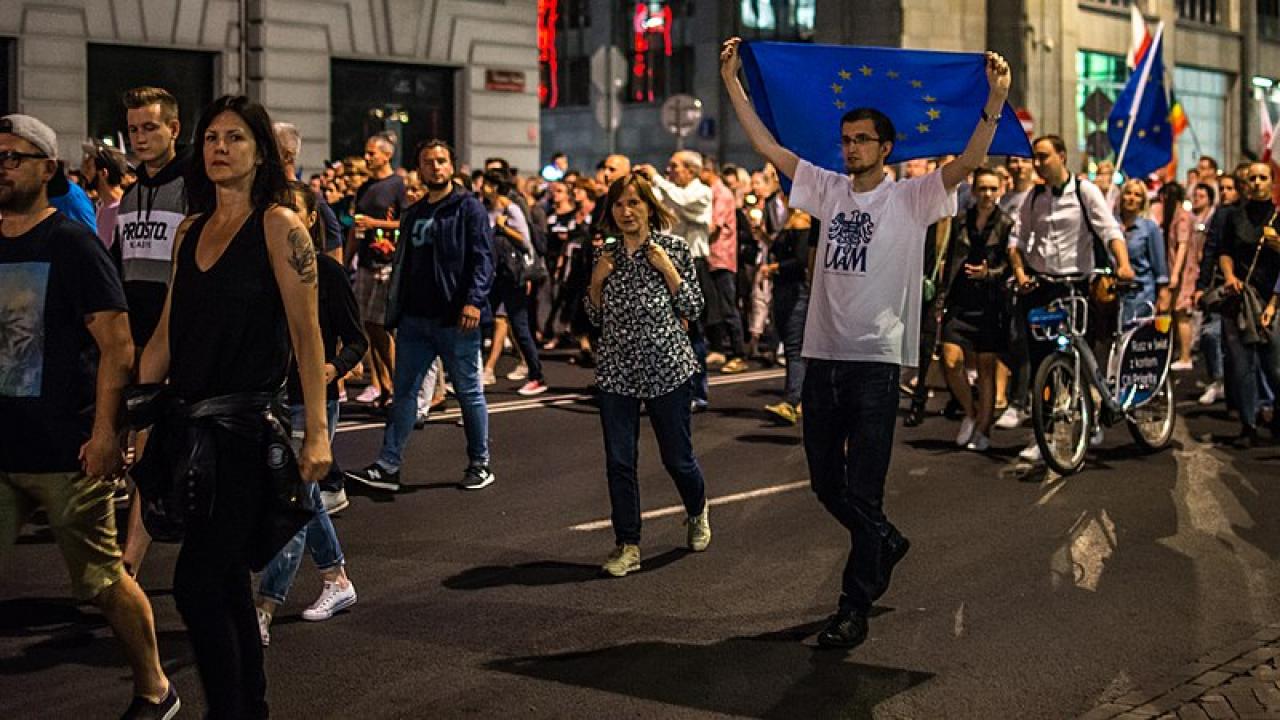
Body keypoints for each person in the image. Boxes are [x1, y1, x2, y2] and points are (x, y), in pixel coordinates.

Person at [722, 36, 1010, 648]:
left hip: (877, 363)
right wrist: (733, 85)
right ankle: (884, 537)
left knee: (862, 489)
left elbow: (968, 162)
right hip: (823, 358)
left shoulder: (911, 197)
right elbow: (767, 147)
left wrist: (995, 102)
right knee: (827, 485)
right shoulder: (825, 189)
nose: (850, 148)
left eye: (862, 140)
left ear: (886, 147)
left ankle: (853, 607)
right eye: (846, 139)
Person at [136, 95, 332, 717]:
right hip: (188, 431)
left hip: (247, 433)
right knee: (221, 584)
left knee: (195, 584)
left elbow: (308, 337)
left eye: (236, 138)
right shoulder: (190, 228)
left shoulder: (280, 225)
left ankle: (230, 711)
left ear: (261, 154)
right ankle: (250, 707)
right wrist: (121, 414)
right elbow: (167, 332)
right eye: (212, 137)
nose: (220, 148)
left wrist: (318, 435)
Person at [0, 113, 178, 718]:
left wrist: (107, 433)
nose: (3, 166)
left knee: (103, 583)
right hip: (2, 444)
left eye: (14, 157)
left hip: (63, 445)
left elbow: (118, 345)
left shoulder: (72, 242)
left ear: (47, 169)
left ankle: (155, 686)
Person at [345, 139, 497, 493]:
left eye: (442, 161)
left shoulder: (467, 208)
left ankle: (479, 463)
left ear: (453, 166)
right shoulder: (414, 213)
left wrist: (473, 301)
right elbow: (403, 266)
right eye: (429, 162)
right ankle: (387, 466)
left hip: (455, 319)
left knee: (469, 392)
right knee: (404, 394)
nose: (436, 167)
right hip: (414, 319)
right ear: (419, 167)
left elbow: (483, 259)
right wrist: (395, 310)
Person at [255, 183, 365, 646]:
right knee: (307, 496)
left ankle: (263, 606)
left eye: (293, 211)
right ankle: (337, 579)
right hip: (270, 398)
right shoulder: (263, 270)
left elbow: (356, 339)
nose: (284, 220)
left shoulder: (327, 272)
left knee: (296, 497)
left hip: (314, 398)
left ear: (312, 219)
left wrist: (332, 367)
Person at [586, 172, 709, 577]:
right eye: (619, 204)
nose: (626, 211)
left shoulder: (672, 248)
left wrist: (668, 271)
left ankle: (696, 509)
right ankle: (628, 544)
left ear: (649, 207)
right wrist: (596, 282)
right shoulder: (605, 254)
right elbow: (592, 316)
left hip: (667, 369)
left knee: (678, 459)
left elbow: (693, 309)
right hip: (617, 371)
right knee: (620, 461)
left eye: (634, 203)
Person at [1008, 135, 1135, 463]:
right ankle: (1044, 432)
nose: (1037, 163)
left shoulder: (1084, 191)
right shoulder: (1034, 196)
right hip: (1041, 287)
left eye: (1043, 156)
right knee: (1042, 362)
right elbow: (1017, 238)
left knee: (1082, 353)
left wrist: (1123, 265)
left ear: (1062, 156)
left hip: (1077, 287)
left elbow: (1110, 230)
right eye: (1035, 157)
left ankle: (1091, 411)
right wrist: (1021, 274)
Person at [938, 168, 1013, 452]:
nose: (987, 195)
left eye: (993, 189)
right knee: (950, 359)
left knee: (986, 368)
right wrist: (942, 299)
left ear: (1001, 190)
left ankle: (983, 429)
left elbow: (1010, 263)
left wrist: (989, 273)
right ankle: (969, 412)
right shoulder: (960, 220)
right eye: (982, 189)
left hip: (990, 303)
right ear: (973, 190)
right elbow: (948, 259)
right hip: (960, 300)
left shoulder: (1006, 223)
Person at [638, 152, 715, 406]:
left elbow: (681, 201)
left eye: (675, 166)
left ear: (691, 171)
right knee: (660, 328)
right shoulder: (668, 191)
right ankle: (666, 388)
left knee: (692, 331)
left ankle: (696, 392)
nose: (669, 170)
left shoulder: (701, 192)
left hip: (693, 264)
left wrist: (657, 180)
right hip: (666, 264)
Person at [1217, 161, 1280, 446]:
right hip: (1240, 300)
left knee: (1275, 366)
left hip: (1272, 300)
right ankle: (1249, 424)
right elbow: (1225, 251)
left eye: (1262, 177)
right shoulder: (1235, 217)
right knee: (1242, 366)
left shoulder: (1279, 218)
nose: (1256, 182)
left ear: (1272, 182)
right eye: (1252, 178)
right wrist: (1229, 276)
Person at [346, 133, 407, 407]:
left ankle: (398, 387)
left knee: (382, 326)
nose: (367, 158)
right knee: (368, 327)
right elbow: (354, 228)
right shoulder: (366, 187)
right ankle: (383, 386)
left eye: (372, 154)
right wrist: (345, 261)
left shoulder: (397, 186)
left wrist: (375, 223)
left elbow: (406, 222)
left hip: (388, 263)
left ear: (386, 155)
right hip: (366, 262)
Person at [480, 168, 548, 396]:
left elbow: (526, 243)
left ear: (495, 187)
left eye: (486, 184)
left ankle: (536, 375)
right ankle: (478, 372)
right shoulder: (486, 209)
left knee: (519, 326)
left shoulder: (512, 209)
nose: (482, 187)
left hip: (511, 275)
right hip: (493, 274)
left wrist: (504, 227)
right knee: (483, 321)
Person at [760, 195, 816, 426]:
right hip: (784, 288)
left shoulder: (803, 222)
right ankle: (796, 399)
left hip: (795, 290)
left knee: (795, 346)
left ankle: (792, 401)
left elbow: (801, 260)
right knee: (792, 343)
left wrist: (775, 267)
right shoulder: (791, 220)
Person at [1116, 179, 1171, 327]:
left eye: (1137, 195)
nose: (1132, 198)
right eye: (1128, 193)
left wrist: (1163, 292)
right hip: (1114, 295)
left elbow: (1159, 264)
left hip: (1141, 294)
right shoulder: (1111, 225)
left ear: (1143, 201)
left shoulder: (1149, 228)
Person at [81, 141, 129, 248]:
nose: (84, 173)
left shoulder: (125, 208)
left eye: (89, 167)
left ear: (103, 173)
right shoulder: (99, 206)